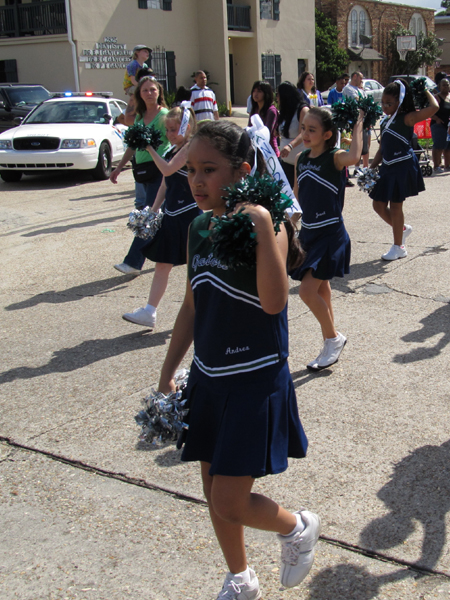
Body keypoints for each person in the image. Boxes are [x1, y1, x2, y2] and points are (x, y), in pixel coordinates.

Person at [157, 120, 319, 600]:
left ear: (243, 170)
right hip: (209, 380)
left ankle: (296, 526)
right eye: (191, 171)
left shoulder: (268, 225)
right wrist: (168, 371)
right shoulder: (198, 227)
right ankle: (240, 578)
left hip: (254, 380)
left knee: (230, 499)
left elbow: (274, 303)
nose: (198, 181)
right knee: (214, 492)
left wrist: (263, 225)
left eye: (209, 170)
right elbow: (191, 304)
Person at [289, 107, 364, 370]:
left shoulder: (335, 157)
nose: (306, 134)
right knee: (321, 290)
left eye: (312, 130)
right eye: (303, 129)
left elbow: (355, 156)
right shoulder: (301, 159)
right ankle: (330, 340)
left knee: (307, 291)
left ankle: (333, 339)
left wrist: (358, 124)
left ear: (327, 134)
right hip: (309, 233)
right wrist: (289, 226)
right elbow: (297, 196)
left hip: (330, 234)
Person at [122, 106, 200, 328]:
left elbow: (166, 170)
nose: (169, 134)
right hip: (171, 216)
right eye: (167, 129)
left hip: (190, 216)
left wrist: (148, 147)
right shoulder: (173, 149)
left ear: (187, 127)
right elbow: (166, 182)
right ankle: (150, 312)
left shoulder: (189, 148)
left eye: (174, 129)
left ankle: (200, 311)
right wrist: (154, 209)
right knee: (162, 265)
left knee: (196, 266)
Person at [369, 80, 439, 261]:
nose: (384, 106)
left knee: (396, 205)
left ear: (399, 101)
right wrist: (371, 167)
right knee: (377, 205)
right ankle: (402, 230)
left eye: (389, 103)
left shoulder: (407, 118)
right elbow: (382, 148)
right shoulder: (385, 121)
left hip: (402, 166)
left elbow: (434, 107)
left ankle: (398, 246)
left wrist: (423, 90)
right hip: (387, 166)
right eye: (382, 102)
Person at [110, 76, 171, 275]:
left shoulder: (165, 116)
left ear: (159, 92)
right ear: (139, 94)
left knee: (149, 215)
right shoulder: (139, 116)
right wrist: (119, 167)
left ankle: (133, 262)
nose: (149, 93)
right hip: (142, 172)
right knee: (162, 216)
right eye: (145, 90)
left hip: (160, 171)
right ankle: (181, 251)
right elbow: (133, 145)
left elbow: (173, 141)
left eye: (153, 90)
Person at [278, 81, 309, 188]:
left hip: (300, 163)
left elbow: (304, 133)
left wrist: (290, 146)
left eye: (278, 95)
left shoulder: (303, 110)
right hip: (285, 162)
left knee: (299, 194)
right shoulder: (285, 111)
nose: (277, 98)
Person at [342, 72, 371, 172]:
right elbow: (357, 101)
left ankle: (364, 167)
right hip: (353, 121)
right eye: (360, 78)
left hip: (363, 120)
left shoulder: (360, 90)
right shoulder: (348, 88)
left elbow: (366, 101)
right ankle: (356, 168)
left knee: (365, 145)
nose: (361, 81)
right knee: (356, 144)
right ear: (355, 76)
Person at [430, 78, 450, 172]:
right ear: (439, 86)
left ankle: (447, 165)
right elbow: (429, 111)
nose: (446, 87)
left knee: (449, 146)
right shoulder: (437, 97)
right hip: (439, 125)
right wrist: (437, 119)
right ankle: (436, 166)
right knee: (439, 145)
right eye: (444, 85)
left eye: (447, 85)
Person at [249, 80, 279, 156]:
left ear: (266, 93)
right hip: (256, 150)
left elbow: (266, 133)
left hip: (270, 152)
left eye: (259, 91)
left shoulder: (271, 111)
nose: (255, 94)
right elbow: (249, 128)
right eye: (254, 91)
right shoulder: (254, 109)